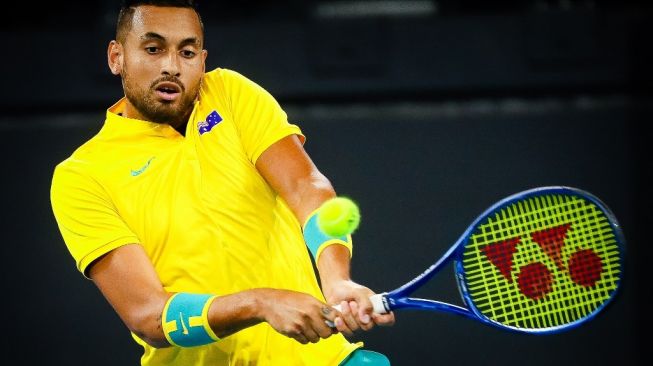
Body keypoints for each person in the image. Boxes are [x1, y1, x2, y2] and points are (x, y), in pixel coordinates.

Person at [49, 1, 394, 365]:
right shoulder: (81, 175)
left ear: (202, 58)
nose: (171, 66)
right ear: (116, 57)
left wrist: (337, 279)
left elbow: (307, 188)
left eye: (187, 51)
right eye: (153, 49)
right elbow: (149, 316)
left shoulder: (230, 93)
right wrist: (260, 303)